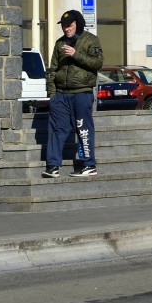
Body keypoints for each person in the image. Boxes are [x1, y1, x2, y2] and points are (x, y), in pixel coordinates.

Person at [42, 10, 104, 178]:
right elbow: (53, 69)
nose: (66, 29)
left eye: (69, 25)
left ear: (78, 24)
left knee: (83, 129)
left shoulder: (90, 40)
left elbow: (97, 63)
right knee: (56, 129)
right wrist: (52, 94)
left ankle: (88, 164)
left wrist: (76, 54)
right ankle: (53, 166)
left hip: (81, 93)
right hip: (60, 95)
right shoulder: (59, 43)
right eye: (63, 25)